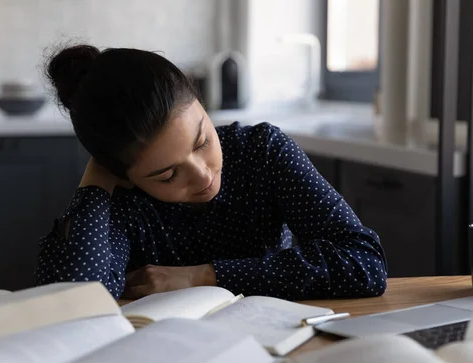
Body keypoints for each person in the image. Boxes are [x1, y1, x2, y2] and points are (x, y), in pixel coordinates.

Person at [35, 44, 387, 301]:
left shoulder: (261, 151)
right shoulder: (124, 199)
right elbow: (77, 298)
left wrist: (205, 276)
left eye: (202, 140)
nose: (203, 176)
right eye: (167, 175)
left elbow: (364, 262)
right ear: (125, 177)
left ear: (202, 106)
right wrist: (98, 178)